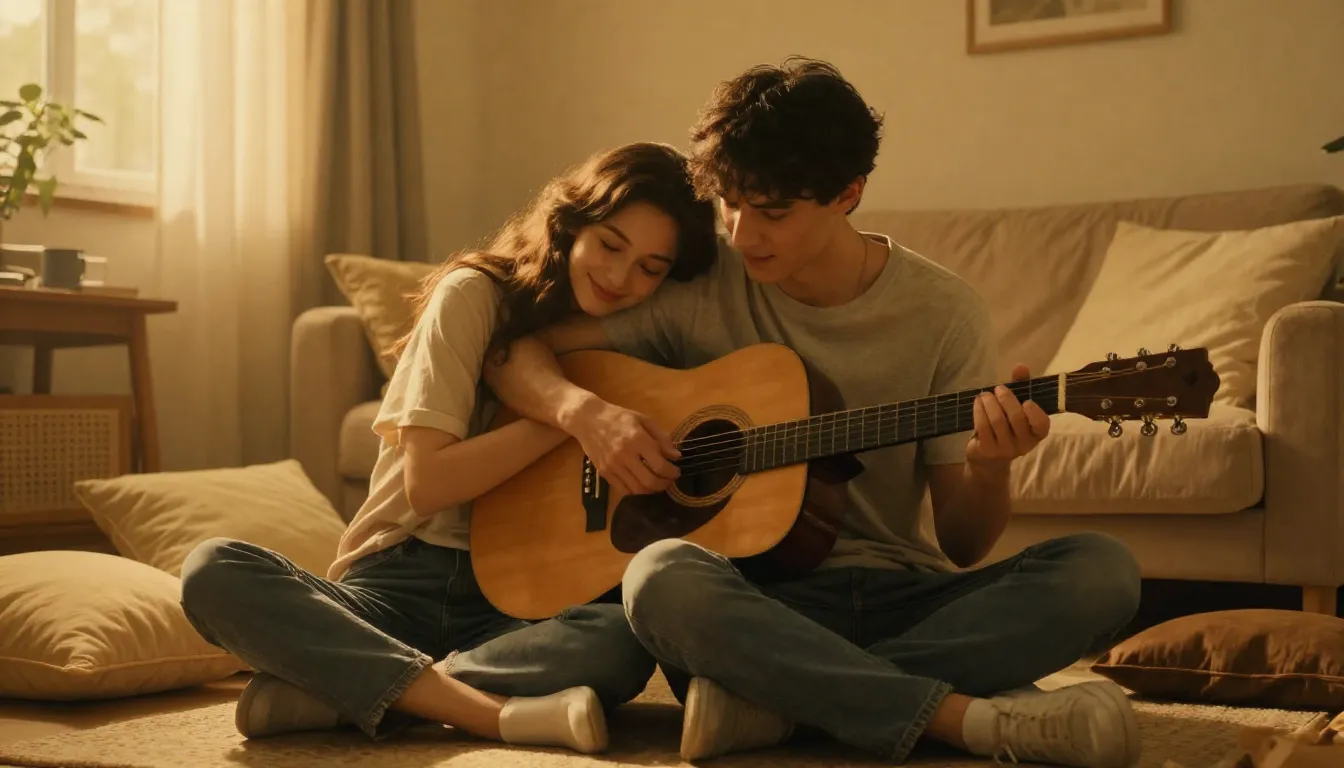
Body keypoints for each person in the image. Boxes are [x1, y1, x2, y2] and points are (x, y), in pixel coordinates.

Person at [482, 58, 1144, 768]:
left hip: (902, 595)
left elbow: (963, 544)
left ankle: (778, 704)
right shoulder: (704, 281)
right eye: (729, 203)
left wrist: (988, 468)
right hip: (755, 602)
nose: (743, 234)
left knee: (1102, 570)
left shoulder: (944, 312)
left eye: (773, 213)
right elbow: (513, 351)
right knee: (657, 578)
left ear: (848, 194)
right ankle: (959, 718)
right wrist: (585, 413)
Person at [177, 142, 720, 754]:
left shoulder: (638, 336)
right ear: (572, 224)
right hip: (399, 577)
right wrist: (576, 417)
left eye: (650, 267)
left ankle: (347, 691)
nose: (621, 278)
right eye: (610, 245)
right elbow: (428, 483)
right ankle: (487, 715)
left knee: (623, 641)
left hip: (520, 598)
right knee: (213, 571)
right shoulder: (473, 294)